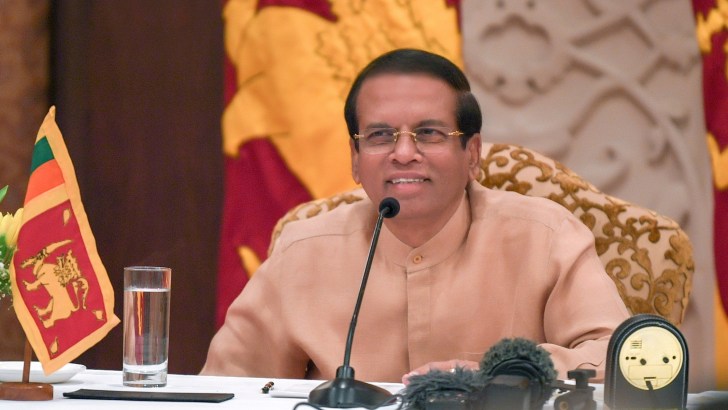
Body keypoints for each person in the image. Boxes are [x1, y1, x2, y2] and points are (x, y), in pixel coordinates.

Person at [201, 48, 630, 384]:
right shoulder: (303, 251)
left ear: (473, 153)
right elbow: (227, 384)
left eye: (429, 133)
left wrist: (501, 375)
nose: (404, 154)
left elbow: (622, 355)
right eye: (380, 135)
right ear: (355, 158)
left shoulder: (545, 237)